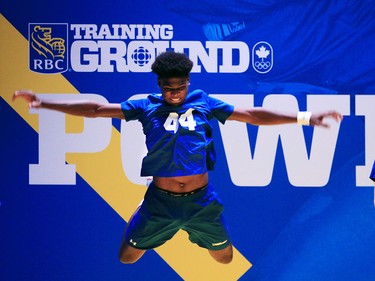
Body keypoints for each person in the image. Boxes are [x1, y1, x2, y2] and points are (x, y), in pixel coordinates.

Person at [12, 51, 343, 264]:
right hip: (160, 201)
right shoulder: (145, 105)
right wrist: (42, 102)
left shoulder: (203, 102)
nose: (175, 93)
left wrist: (306, 117)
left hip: (201, 200)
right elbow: (97, 110)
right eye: (169, 88)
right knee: (127, 257)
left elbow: (253, 115)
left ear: (188, 83)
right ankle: (141, 215)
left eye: (181, 87)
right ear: (160, 84)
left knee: (225, 258)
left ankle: (191, 227)